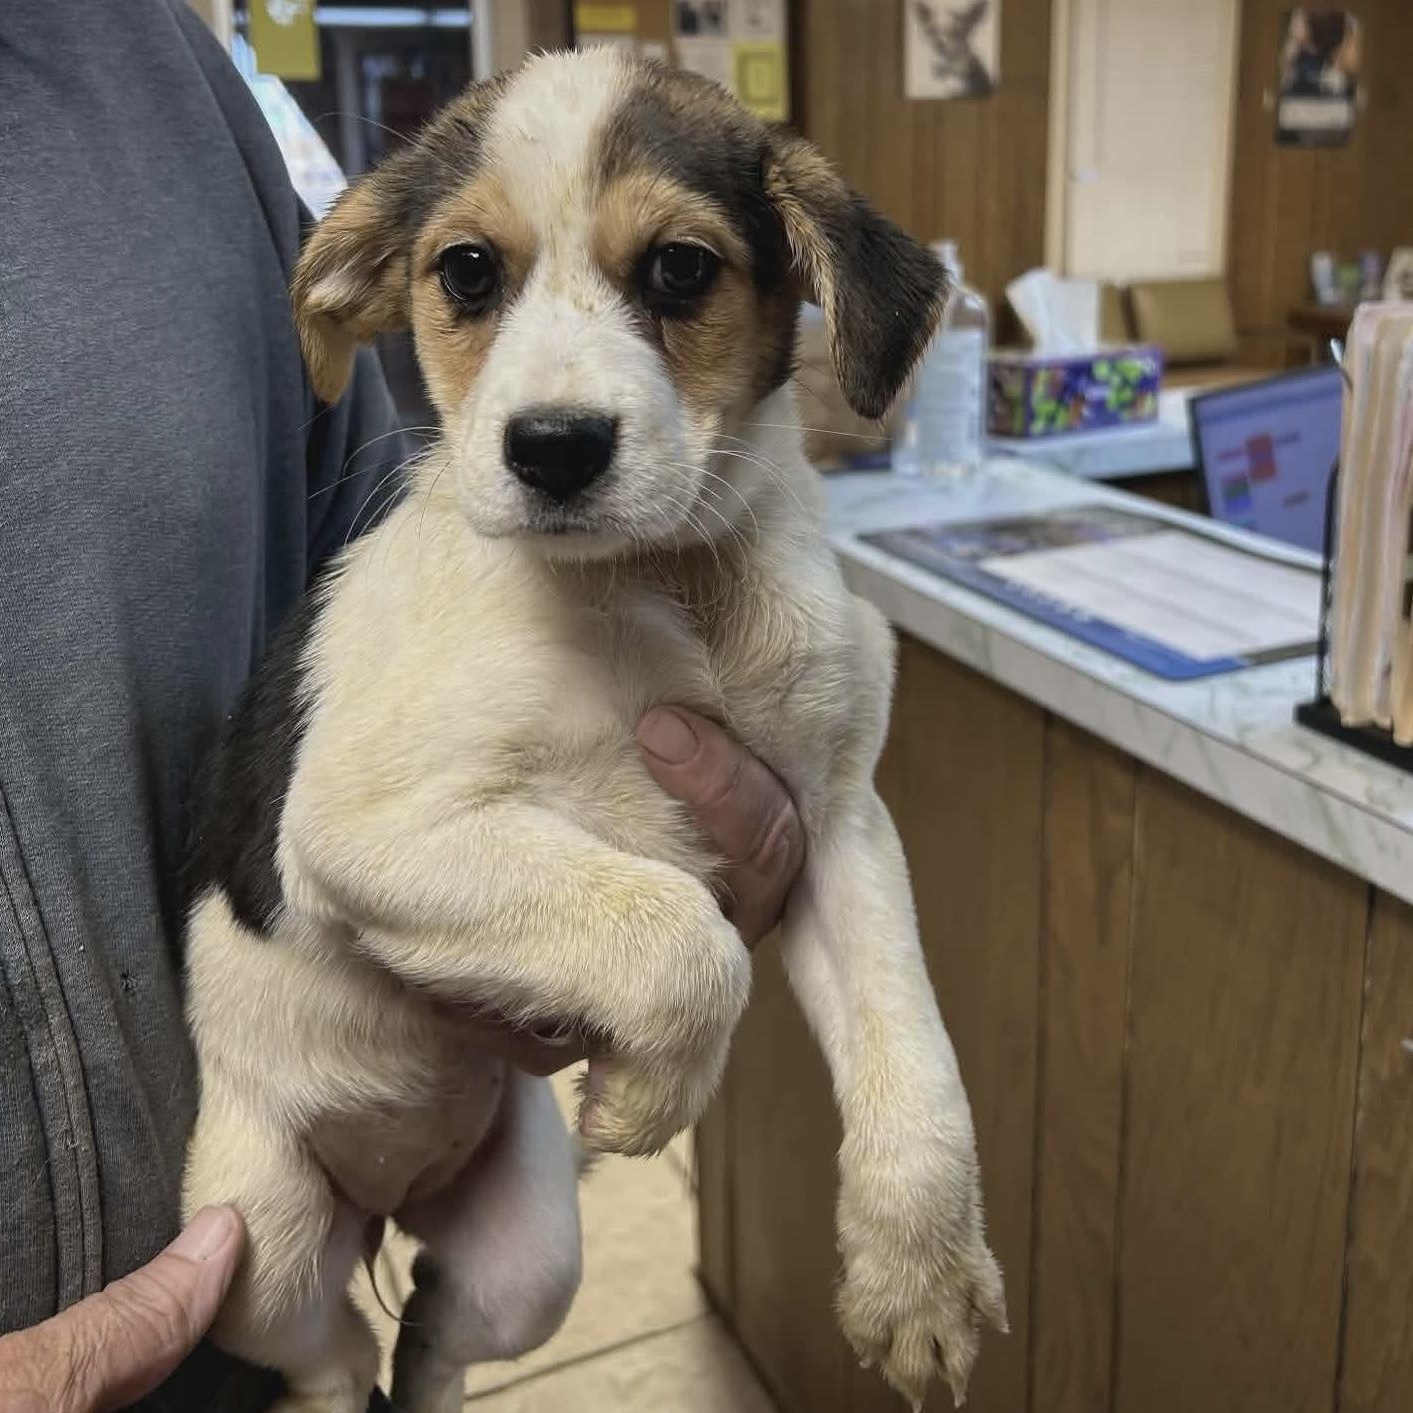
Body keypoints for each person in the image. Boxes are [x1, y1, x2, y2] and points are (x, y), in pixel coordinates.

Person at [0, 3, 803, 1408]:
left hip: (441, 1084)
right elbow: (343, 827)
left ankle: (418, 1362)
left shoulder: (153, 56)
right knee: (277, 1302)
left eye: (675, 272)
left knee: (529, 1279)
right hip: (262, 1147)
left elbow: (382, 556)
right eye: (475, 275)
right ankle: (335, 1369)